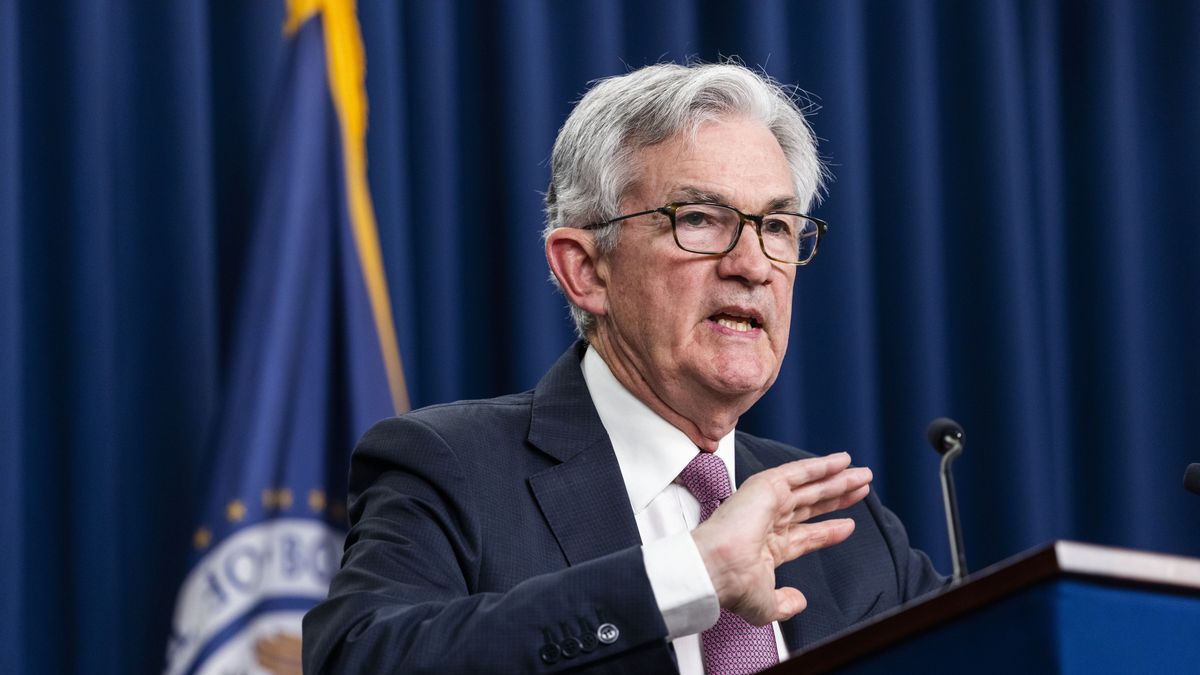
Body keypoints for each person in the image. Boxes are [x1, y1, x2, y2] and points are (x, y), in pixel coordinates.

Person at [303, 62, 945, 674]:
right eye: (698, 219)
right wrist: (690, 574)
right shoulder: (452, 469)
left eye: (776, 225)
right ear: (585, 270)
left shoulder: (847, 528)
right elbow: (362, 660)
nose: (753, 265)